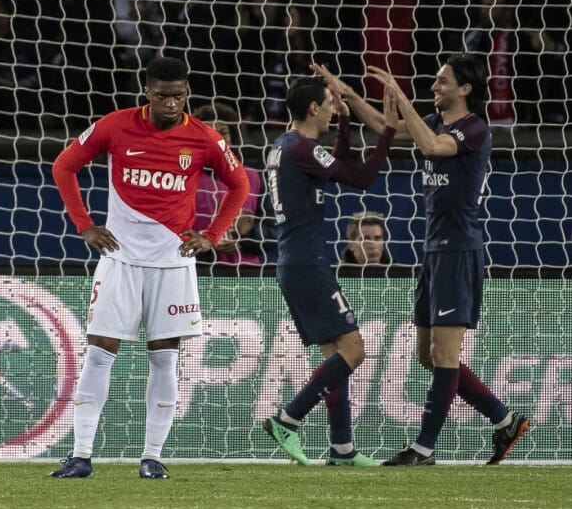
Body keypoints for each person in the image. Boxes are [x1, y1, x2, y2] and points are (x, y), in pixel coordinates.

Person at [313, 55, 529, 466]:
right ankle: (504, 421)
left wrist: (399, 95)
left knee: (444, 355)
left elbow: (430, 147)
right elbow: (385, 127)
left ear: (465, 89)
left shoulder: (474, 128)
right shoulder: (435, 120)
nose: (435, 86)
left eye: (442, 81)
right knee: (427, 356)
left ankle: (424, 449)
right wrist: (351, 95)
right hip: (434, 251)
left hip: (459, 250)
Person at [49, 56, 249, 479]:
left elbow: (240, 184)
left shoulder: (205, 138)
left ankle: (152, 457)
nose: (171, 104)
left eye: (178, 95)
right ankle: (81, 454)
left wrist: (211, 236)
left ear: (187, 93)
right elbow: (64, 165)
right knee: (100, 354)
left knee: (164, 359)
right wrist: (84, 226)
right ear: (147, 93)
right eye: (162, 96)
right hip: (120, 260)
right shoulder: (115, 125)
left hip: (172, 265)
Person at [261, 74, 397, 466]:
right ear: (312, 108)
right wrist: (387, 130)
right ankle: (289, 418)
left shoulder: (285, 146)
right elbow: (361, 177)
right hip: (308, 261)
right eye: (330, 103)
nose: (334, 107)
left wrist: (344, 122)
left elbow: (336, 163)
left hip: (293, 260)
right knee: (354, 351)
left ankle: (342, 449)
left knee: (334, 357)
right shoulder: (301, 148)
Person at [191, 103, 263, 266]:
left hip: (248, 273)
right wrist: (207, 243)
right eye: (209, 135)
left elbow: (273, 231)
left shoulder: (254, 177)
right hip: (200, 271)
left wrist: (246, 236)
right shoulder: (186, 180)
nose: (217, 141)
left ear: (234, 137)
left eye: (223, 133)